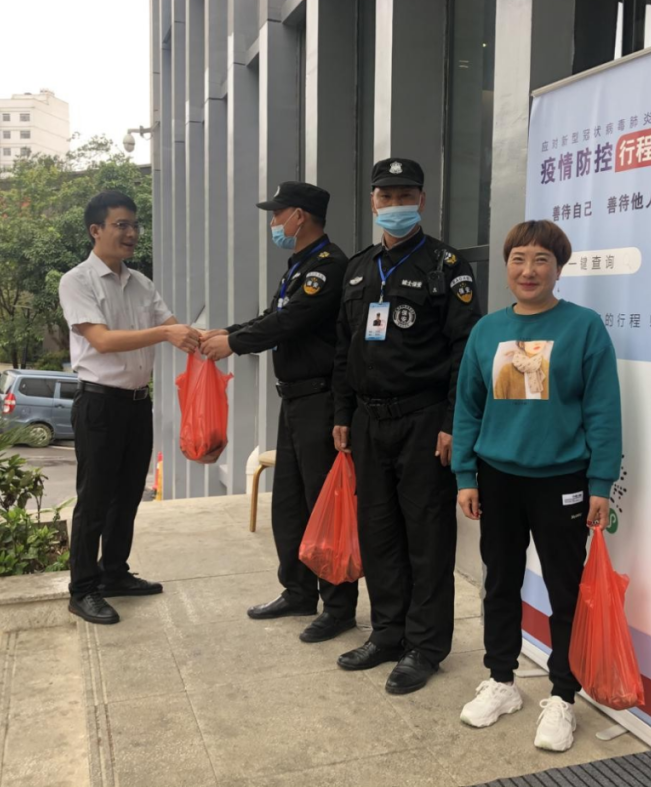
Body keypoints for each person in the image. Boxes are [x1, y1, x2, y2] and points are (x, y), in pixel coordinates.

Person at [452, 220, 620, 753]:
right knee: (500, 581)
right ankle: (501, 681)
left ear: (559, 268)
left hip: (561, 480)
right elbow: (468, 408)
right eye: (519, 259)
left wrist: (600, 482)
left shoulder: (584, 327)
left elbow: (602, 410)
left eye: (542, 259)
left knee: (565, 590)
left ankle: (563, 697)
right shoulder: (487, 331)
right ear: (506, 266)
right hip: (498, 478)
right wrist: (465, 474)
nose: (529, 270)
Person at [332, 157, 481, 694]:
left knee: (427, 537)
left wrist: (452, 422)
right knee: (379, 534)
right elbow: (344, 348)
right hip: (369, 421)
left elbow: (465, 351)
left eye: (405, 196)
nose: (395, 205)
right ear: (373, 201)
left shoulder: (447, 265)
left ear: (422, 199)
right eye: (386, 196)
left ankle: (425, 646)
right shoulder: (358, 268)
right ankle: (387, 633)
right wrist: (342, 414)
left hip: (424, 421)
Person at [200, 182, 359, 641]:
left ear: (299, 217)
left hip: (320, 401)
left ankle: (338, 606)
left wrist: (233, 343)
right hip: (294, 400)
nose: (273, 223)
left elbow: (290, 321)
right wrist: (227, 331)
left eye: (277, 214)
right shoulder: (299, 265)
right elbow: (272, 315)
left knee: (322, 504)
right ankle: (297, 590)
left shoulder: (328, 267)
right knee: (290, 502)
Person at [58, 191, 201, 624]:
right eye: (121, 225)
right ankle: (82, 589)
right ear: (95, 230)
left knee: (127, 496)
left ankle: (114, 573)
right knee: (94, 500)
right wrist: (166, 335)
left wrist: (215, 337)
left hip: (138, 404)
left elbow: (173, 326)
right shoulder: (77, 281)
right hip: (100, 404)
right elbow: (101, 340)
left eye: (135, 225)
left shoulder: (140, 283)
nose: (132, 233)